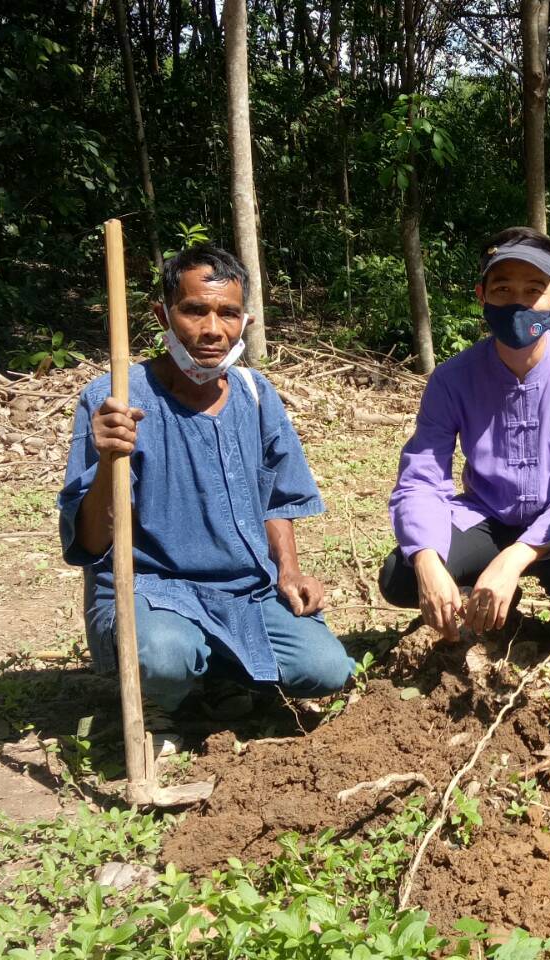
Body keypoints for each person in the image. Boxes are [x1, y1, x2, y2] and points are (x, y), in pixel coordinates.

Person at [59, 245, 353, 756]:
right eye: (195, 310)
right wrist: (108, 460)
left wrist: (288, 571)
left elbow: (277, 497)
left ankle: (219, 678)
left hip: (245, 590)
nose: (213, 329)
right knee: (164, 655)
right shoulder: (117, 400)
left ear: (245, 321)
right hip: (153, 590)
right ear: (163, 315)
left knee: (325, 669)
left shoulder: (255, 394)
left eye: (228, 314)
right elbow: (90, 540)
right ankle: (160, 701)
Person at [379, 227, 550, 666]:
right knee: (402, 576)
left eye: (534, 290)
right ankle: (482, 607)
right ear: (482, 296)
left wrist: (514, 560)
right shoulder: (452, 379)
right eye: (503, 289)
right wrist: (429, 563)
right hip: (487, 515)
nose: (518, 303)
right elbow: (421, 478)